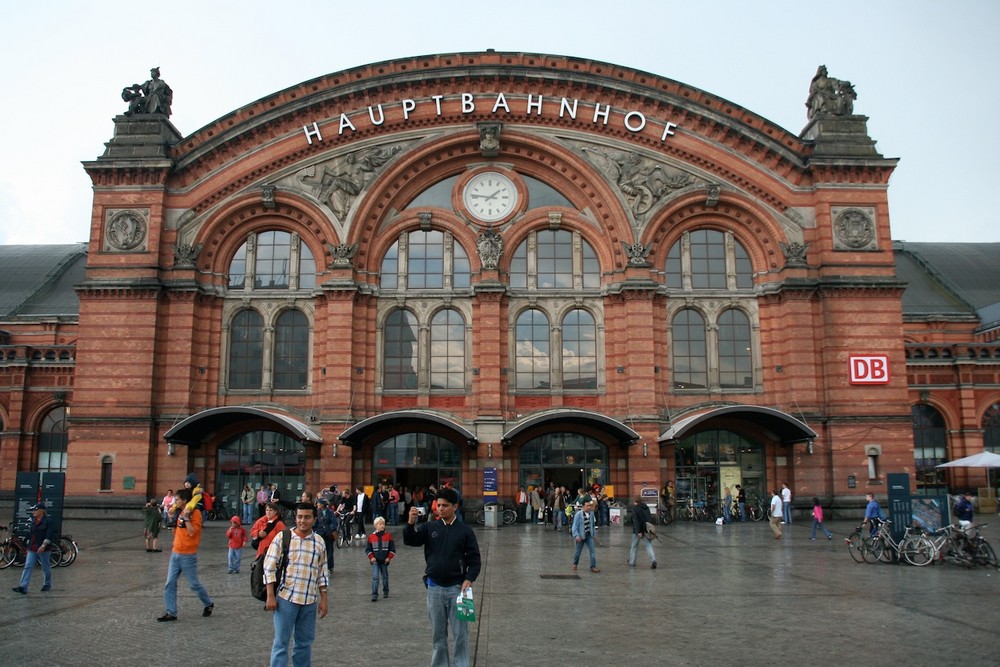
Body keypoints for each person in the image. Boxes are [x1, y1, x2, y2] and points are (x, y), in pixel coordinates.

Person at [404, 487, 482, 667]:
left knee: (461, 635)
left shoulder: (465, 531)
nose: (440, 509)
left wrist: (469, 578)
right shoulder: (430, 527)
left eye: (445, 506)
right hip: (434, 588)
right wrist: (410, 524)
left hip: (458, 590)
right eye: (438, 505)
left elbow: (475, 559)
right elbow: (411, 540)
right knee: (438, 635)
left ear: (455, 506)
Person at [265, 502, 329, 667]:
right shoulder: (283, 537)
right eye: (300, 517)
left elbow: (322, 573)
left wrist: (324, 599)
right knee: (281, 643)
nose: (303, 521)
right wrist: (270, 596)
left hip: (309, 602)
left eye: (307, 517)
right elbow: (269, 567)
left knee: (304, 644)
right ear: (295, 517)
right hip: (286, 599)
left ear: (314, 519)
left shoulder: (319, 542)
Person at [157, 488, 214, 621]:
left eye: (177, 499)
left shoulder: (195, 513)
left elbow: (192, 532)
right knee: (169, 583)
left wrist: (186, 518)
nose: (174, 502)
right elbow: (177, 533)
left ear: (184, 501)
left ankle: (208, 603)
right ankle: (171, 613)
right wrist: (173, 521)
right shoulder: (179, 511)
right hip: (175, 552)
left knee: (194, 584)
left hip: (188, 555)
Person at [12, 502, 55, 594]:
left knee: (45, 567)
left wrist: (43, 545)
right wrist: (27, 542)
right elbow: (31, 533)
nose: (34, 512)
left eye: (35, 510)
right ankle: (23, 587)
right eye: (33, 510)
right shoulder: (33, 520)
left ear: (42, 511)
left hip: (43, 548)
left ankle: (47, 584)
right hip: (32, 547)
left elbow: (49, 534)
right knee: (28, 566)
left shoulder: (48, 521)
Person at [365, 516, 396, 601]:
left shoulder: (388, 536)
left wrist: (389, 558)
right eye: (380, 524)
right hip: (375, 561)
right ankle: (374, 594)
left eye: (383, 524)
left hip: (384, 561)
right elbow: (368, 549)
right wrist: (371, 557)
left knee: (385, 577)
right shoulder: (371, 537)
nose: (382, 526)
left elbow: (392, 549)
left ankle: (386, 590)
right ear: (376, 526)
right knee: (375, 577)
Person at [571, 499, 600, 573]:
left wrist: (594, 534)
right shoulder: (578, 514)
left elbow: (592, 525)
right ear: (583, 506)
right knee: (578, 552)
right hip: (581, 536)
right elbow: (574, 526)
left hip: (588, 536)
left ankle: (593, 566)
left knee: (592, 551)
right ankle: (575, 563)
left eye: (589, 506)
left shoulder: (591, 514)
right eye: (587, 506)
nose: (589, 507)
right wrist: (576, 536)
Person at [627, 497, 657, 569]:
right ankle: (653, 560)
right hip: (646, 529)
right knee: (648, 546)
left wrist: (638, 531)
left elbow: (636, 521)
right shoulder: (646, 508)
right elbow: (649, 518)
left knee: (634, 547)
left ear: (635, 502)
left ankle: (632, 562)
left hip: (638, 531)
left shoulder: (635, 509)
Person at [314, 498, 336, 572]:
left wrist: (329, 529)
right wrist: (315, 531)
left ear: (323, 504)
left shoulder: (330, 512)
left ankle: (329, 566)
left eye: (319, 503)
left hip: (328, 534)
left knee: (329, 550)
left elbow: (334, 522)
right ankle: (320, 565)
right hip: (320, 533)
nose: (317, 505)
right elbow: (315, 523)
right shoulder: (317, 512)